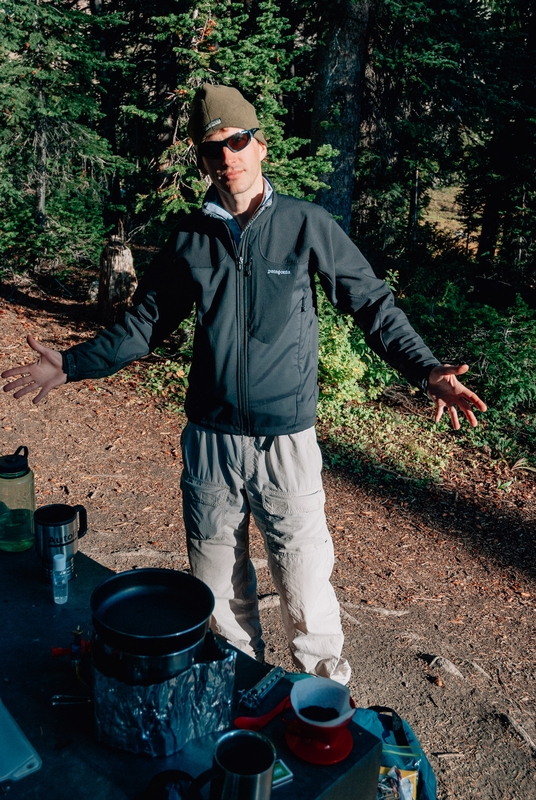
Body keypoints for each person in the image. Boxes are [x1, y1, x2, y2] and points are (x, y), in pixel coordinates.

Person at [2, 84, 486, 684]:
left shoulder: (305, 223)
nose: (226, 157)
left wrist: (426, 369)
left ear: (261, 146)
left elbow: (372, 305)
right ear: (202, 162)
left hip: (286, 444)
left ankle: (326, 706)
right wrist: (71, 363)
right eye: (212, 150)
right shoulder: (188, 237)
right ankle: (240, 695)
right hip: (210, 444)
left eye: (236, 142)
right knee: (218, 594)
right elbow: (143, 326)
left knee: (306, 586)